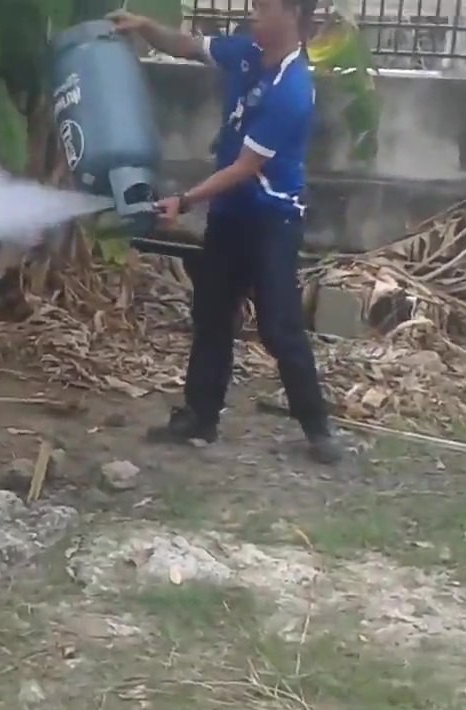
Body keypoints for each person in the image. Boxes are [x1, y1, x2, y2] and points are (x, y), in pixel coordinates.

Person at [109, 0, 343, 465]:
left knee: (279, 326)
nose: (253, 15)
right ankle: (200, 417)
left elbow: (245, 167)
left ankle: (317, 428)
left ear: (293, 15)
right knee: (212, 316)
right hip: (230, 217)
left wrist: (185, 201)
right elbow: (189, 45)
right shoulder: (247, 53)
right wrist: (145, 26)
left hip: (271, 220)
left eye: (263, 8)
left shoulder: (292, 89)